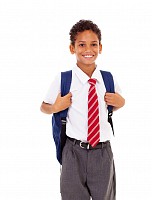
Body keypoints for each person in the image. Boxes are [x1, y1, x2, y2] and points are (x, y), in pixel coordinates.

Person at [40, 19, 125, 200]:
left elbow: (114, 104)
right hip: (73, 151)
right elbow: (44, 106)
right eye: (81, 45)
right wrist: (56, 107)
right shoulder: (64, 79)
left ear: (100, 47)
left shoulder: (107, 79)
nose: (88, 50)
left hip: (102, 152)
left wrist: (120, 102)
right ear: (72, 48)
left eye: (93, 44)